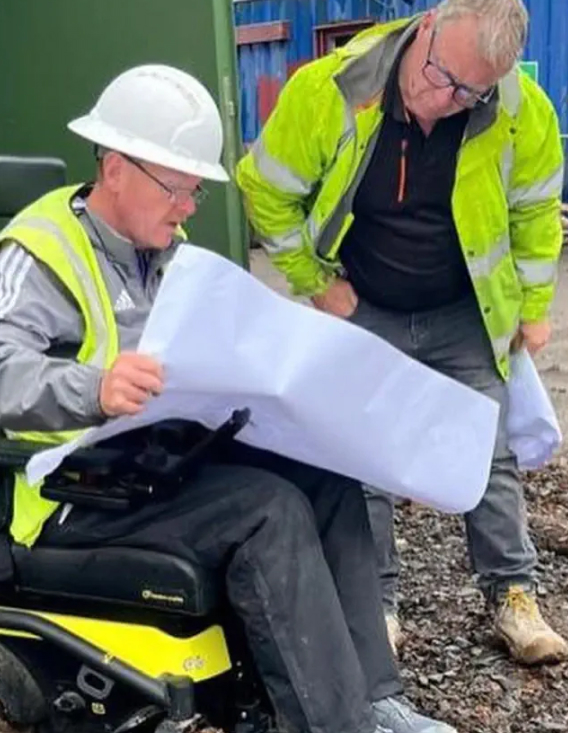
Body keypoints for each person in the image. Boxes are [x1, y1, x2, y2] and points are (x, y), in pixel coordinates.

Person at [0, 64, 456, 733]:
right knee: (267, 510)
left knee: (330, 479)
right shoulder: (38, 250)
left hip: (150, 464)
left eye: (195, 189)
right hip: (72, 492)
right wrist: (94, 388)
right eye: (178, 187)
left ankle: (372, 697)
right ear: (116, 168)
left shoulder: (169, 253)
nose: (188, 207)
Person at [236, 0, 567, 666]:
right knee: (365, 461)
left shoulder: (519, 109)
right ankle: (376, 604)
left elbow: (535, 214)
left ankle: (513, 594)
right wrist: (314, 280)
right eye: (440, 76)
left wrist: (534, 306)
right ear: (428, 26)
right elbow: (265, 189)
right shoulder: (331, 90)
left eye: (469, 92)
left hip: (464, 310)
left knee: (488, 451)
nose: (445, 100)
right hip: (367, 306)